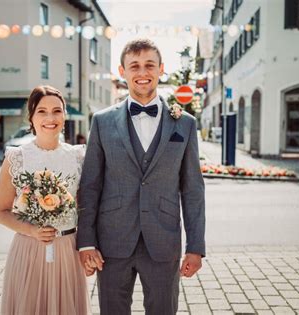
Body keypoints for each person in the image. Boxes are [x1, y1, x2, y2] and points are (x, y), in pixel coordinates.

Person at [77, 38, 206, 314]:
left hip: (163, 241)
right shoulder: (101, 122)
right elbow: (90, 186)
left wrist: (195, 247)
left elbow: (193, 190)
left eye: (149, 65)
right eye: (134, 66)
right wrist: (86, 241)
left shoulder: (184, 123)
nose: (142, 72)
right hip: (111, 241)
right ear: (122, 72)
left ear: (161, 69)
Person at [0, 85, 90, 315]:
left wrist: (89, 246)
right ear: (31, 117)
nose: (50, 117)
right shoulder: (17, 158)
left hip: (68, 250)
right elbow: (1, 212)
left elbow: (87, 208)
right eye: (42, 111)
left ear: (65, 116)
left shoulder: (78, 157)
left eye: (57, 111)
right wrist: (32, 230)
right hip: (29, 250)